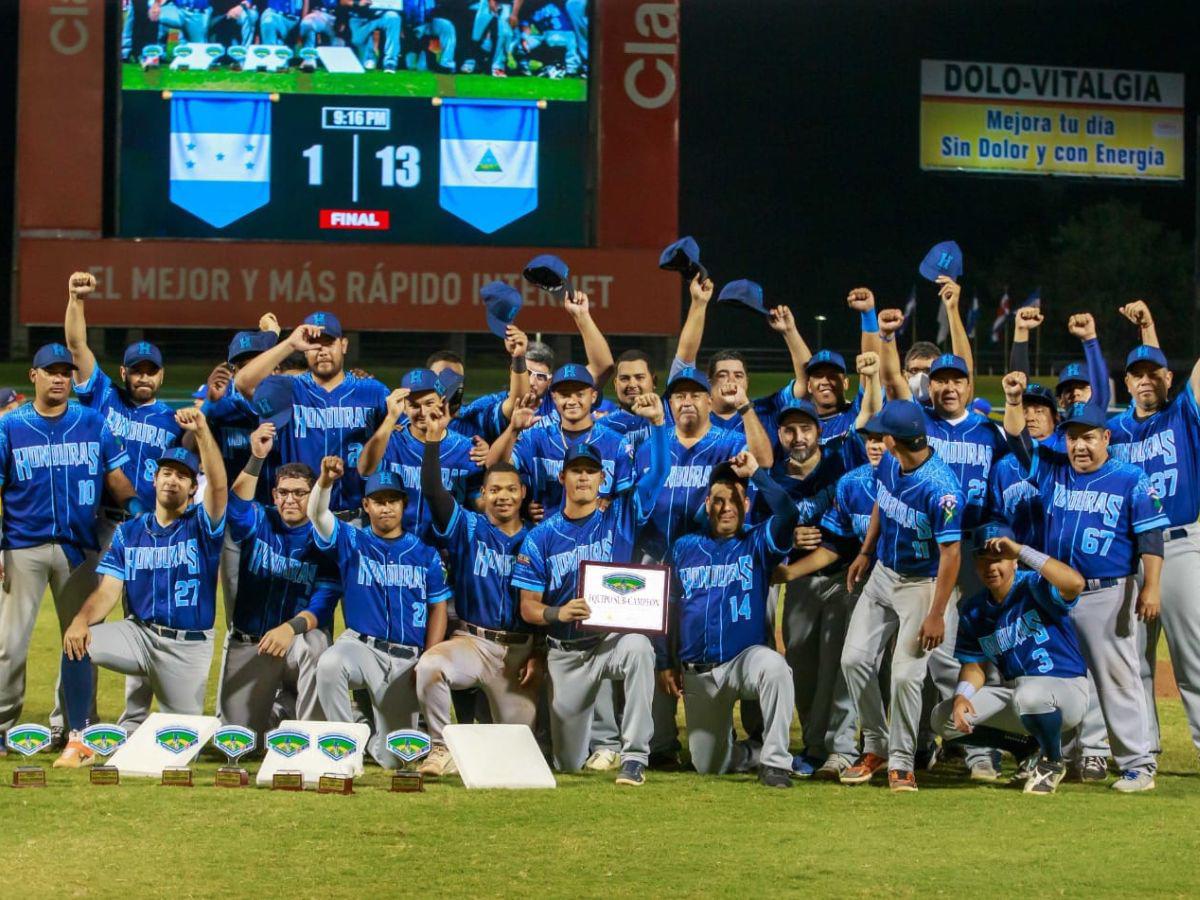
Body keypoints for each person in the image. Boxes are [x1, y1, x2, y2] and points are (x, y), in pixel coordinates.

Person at [1002, 372, 1167, 792]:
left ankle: (1138, 765)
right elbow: (1019, 438)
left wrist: (1151, 587)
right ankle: (1065, 755)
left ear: (1106, 438)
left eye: (1088, 437)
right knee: (1060, 675)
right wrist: (1014, 398)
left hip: (1108, 592)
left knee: (1118, 679)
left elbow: (1150, 537)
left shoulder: (1130, 478)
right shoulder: (1054, 470)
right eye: (1073, 437)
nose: (1079, 445)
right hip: (1056, 596)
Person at [512, 393, 669, 786]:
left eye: (591, 471)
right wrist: (557, 613)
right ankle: (589, 744)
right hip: (566, 653)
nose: (583, 477)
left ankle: (634, 755)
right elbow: (528, 607)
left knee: (639, 648)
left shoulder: (619, 514)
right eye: (576, 471)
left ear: (603, 478)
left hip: (610, 642)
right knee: (568, 762)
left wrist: (659, 427)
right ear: (562, 478)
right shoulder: (541, 536)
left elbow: (657, 475)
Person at [55, 409, 227, 766]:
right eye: (166, 473)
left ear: (194, 488)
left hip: (187, 648)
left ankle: (144, 735)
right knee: (78, 643)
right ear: (154, 478)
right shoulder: (129, 532)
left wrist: (203, 431)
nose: (172, 480)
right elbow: (106, 592)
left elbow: (220, 486)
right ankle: (81, 738)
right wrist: (81, 620)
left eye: (183, 476)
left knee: (181, 754)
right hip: (139, 634)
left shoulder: (203, 527)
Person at [0, 343, 136, 750]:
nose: (59, 378)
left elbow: (116, 479)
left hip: (79, 548)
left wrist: (144, 512)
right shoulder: (10, 427)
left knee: (81, 639)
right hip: (22, 547)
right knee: (9, 645)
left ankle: (78, 725)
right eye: (51, 371)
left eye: (65, 371)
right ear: (34, 376)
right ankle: (4, 726)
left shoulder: (91, 422)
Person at [765, 351, 882, 780]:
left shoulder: (841, 458)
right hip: (797, 580)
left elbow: (869, 414)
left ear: (819, 431)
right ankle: (813, 745)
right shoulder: (772, 477)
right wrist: (786, 544)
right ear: (780, 434)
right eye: (790, 429)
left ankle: (838, 746)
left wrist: (869, 375)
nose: (798, 436)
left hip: (844, 576)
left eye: (806, 428)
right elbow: (760, 530)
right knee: (800, 663)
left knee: (838, 664)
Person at [838, 399, 965, 792]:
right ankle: (875, 745)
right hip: (883, 574)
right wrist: (865, 550)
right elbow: (882, 501)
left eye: (881, 434)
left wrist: (937, 613)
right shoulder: (892, 463)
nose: (877, 440)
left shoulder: (942, 489)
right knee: (854, 659)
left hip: (921, 585)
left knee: (907, 676)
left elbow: (951, 554)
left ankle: (902, 760)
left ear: (893, 440)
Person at [657, 452, 800, 788]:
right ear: (707, 504)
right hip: (698, 671)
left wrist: (758, 474)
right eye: (718, 500)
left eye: (735, 500)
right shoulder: (683, 547)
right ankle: (753, 753)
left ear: (746, 505)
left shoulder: (758, 542)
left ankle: (776, 763)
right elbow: (667, 608)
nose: (727, 507)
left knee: (775, 667)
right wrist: (665, 660)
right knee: (708, 765)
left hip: (743, 661)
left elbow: (788, 513)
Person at [413, 405, 539, 777]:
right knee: (432, 666)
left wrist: (541, 654)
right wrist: (433, 443)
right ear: (482, 495)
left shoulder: (538, 541)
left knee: (520, 755)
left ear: (523, 493)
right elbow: (434, 494)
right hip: (473, 641)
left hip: (519, 652)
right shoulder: (467, 527)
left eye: (510, 489)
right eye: (494, 489)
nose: (503, 496)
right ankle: (439, 748)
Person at [1105, 300, 1200, 767]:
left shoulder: (1182, 415)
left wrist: (1150, 326)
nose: (1146, 379)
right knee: (1133, 658)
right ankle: (1143, 751)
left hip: (1181, 545)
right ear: (1126, 384)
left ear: (1167, 381)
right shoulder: (1113, 431)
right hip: (1130, 555)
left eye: (1154, 373)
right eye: (1136, 374)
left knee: (1192, 655)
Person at [309, 458, 451, 768]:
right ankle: (344, 750)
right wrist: (324, 482)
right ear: (366, 505)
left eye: (392, 500)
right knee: (331, 664)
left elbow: (438, 606)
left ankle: (368, 736)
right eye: (378, 501)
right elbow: (318, 514)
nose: (386, 508)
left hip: (406, 659)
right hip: (361, 647)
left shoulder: (424, 554)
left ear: (403, 504)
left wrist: (429, 656)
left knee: (395, 760)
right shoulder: (352, 540)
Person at [929, 524, 1090, 795]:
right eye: (984, 559)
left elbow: (1075, 583)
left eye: (998, 559)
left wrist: (1022, 551)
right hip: (1020, 698)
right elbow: (975, 666)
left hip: (1067, 690)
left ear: (1014, 561)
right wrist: (961, 696)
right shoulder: (973, 609)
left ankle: (1052, 762)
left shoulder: (1034, 585)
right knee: (942, 717)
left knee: (1029, 695)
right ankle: (1025, 747)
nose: (991, 567)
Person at [215, 424, 340, 740]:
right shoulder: (260, 519)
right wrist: (256, 457)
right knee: (237, 740)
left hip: (295, 641)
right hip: (252, 643)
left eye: (300, 493)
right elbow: (237, 507)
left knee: (318, 646)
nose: (290, 500)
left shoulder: (325, 538)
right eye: (283, 492)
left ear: (312, 496)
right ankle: (280, 710)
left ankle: (308, 735)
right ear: (274, 495)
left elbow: (323, 604)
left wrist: (290, 628)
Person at [234, 313, 390, 515]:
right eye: (313, 344)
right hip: (298, 518)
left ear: (343, 345)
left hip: (354, 518)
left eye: (328, 343)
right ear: (304, 350)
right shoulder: (287, 389)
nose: (322, 351)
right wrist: (289, 343)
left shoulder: (373, 391)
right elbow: (243, 382)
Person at [64, 271, 181, 527]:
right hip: (99, 522)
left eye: (151, 372)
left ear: (161, 375)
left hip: (148, 525)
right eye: (137, 371)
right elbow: (76, 346)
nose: (144, 377)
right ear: (123, 372)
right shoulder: (104, 395)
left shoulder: (174, 421)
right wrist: (76, 300)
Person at [486, 364, 633, 520]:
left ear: (593, 396)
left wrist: (611, 503)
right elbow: (494, 467)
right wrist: (513, 429)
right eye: (565, 394)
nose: (572, 401)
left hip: (597, 538)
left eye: (579, 394)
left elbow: (629, 500)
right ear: (554, 397)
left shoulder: (616, 443)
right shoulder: (536, 438)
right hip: (548, 537)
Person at [357, 369, 482, 543]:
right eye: (414, 406)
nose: (422, 412)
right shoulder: (390, 441)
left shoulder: (466, 449)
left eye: (429, 402)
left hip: (445, 553)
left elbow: (480, 505)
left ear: (442, 401)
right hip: (393, 550)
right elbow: (365, 469)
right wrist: (391, 418)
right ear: (405, 408)